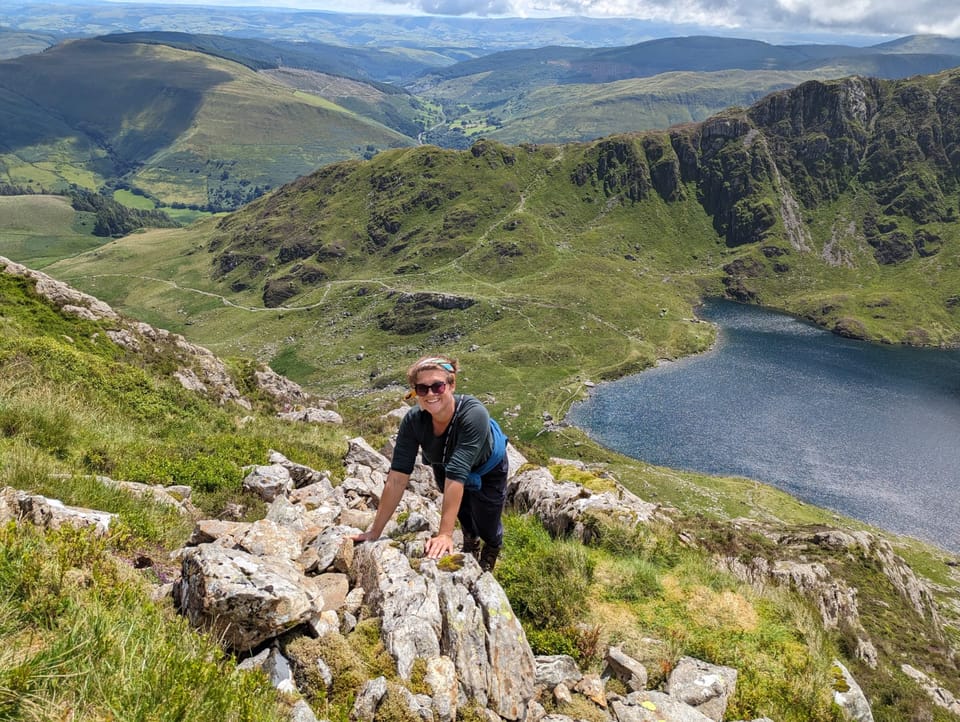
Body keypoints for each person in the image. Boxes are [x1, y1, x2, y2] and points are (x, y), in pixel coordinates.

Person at [352, 355, 509, 571]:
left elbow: (457, 471)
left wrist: (444, 534)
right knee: (463, 513)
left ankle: (491, 549)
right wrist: (374, 532)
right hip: (444, 465)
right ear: (415, 391)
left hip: (487, 469)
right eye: (423, 389)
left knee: (488, 522)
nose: (431, 394)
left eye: (438, 386)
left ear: (451, 385)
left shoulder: (474, 414)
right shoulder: (414, 421)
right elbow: (397, 477)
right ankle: (469, 541)